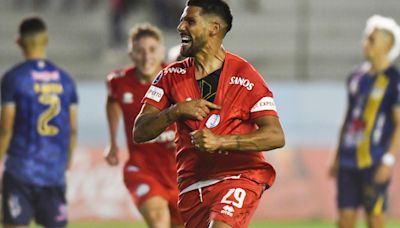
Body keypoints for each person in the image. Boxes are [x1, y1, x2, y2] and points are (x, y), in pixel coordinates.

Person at [133, 0, 285, 227]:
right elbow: (140, 131)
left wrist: (220, 141)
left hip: (239, 176)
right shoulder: (169, 76)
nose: (180, 27)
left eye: (190, 21)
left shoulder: (245, 75)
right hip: (193, 185)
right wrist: (173, 112)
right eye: (182, 20)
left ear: (214, 28)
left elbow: (275, 136)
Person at [0, 16, 78, 228]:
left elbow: (6, 129)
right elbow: (72, 129)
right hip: (53, 172)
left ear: (18, 42)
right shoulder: (65, 79)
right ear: (46, 40)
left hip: (20, 171)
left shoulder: (13, 78)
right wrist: (67, 163)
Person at [104, 23, 183, 228]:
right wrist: (112, 142)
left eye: (152, 50)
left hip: (179, 171)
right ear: (131, 53)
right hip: (142, 168)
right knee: (158, 221)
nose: (146, 57)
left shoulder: (177, 77)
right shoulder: (119, 81)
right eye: (139, 51)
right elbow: (113, 101)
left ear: (162, 51)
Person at [329, 15, 400, 228]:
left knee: (374, 218)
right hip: (348, 161)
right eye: (365, 39)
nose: (365, 44)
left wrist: (388, 160)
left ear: (387, 45)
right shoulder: (355, 77)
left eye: (371, 39)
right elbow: (348, 117)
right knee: (344, 220)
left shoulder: (394, 81)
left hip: (374, 160)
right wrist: (336, 155)